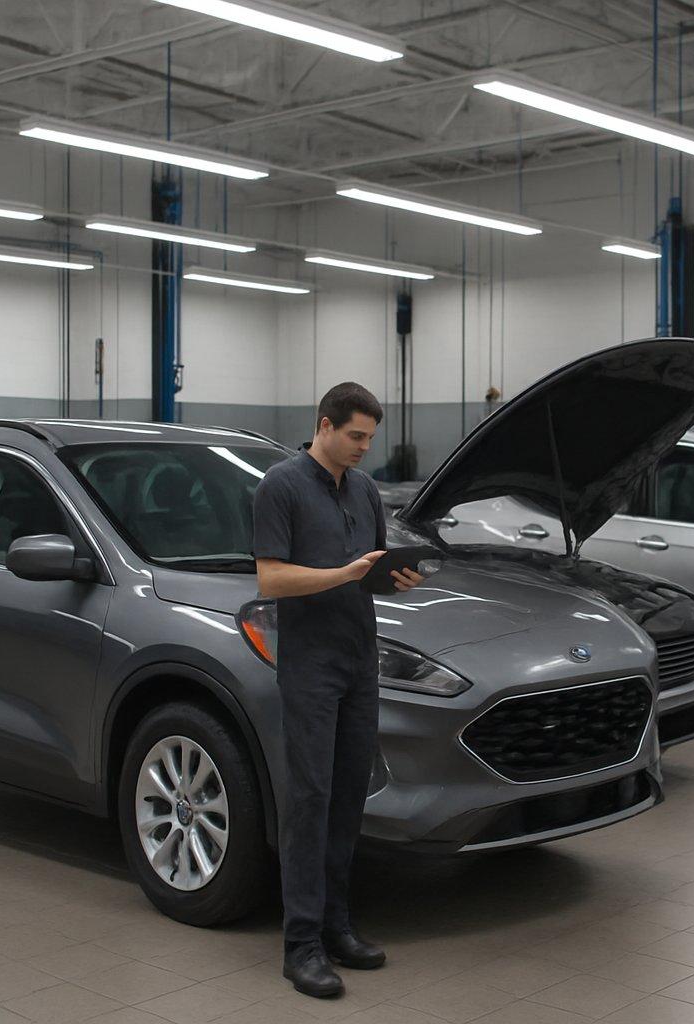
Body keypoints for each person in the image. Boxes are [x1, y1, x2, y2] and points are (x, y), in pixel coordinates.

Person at [253, 383, 424, 998]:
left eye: (370, 439)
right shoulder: (282, 486)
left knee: (350, 794)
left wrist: (388, 578)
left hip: (360, 659)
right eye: (355, 436)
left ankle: (336, 927)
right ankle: (299, 945)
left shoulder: (365, 489)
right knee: (311, 797)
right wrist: (342, 574)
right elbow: (271, 578)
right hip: (310, 665)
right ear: (324, 425)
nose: (364, 448)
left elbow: (364, 575)